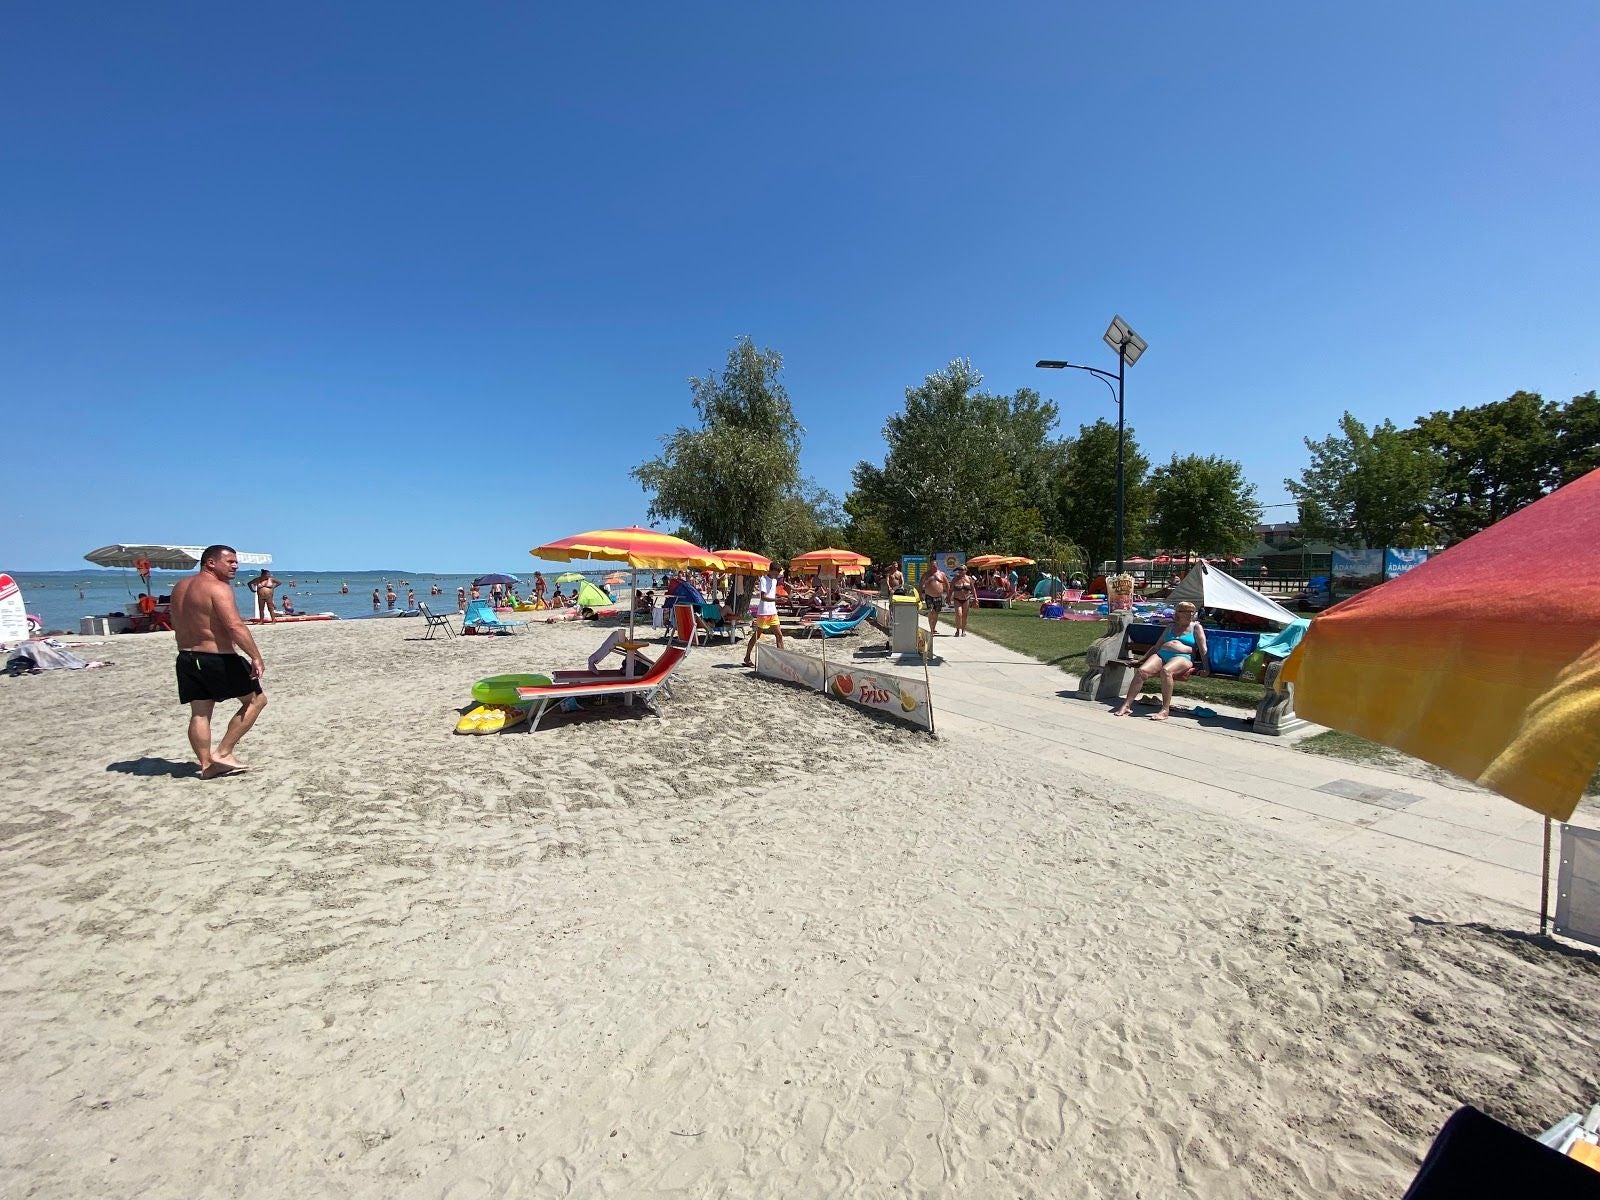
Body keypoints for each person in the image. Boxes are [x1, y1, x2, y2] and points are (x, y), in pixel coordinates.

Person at [169, 545, 268, 779]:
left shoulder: (180, 587)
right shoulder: (218, 588)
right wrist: (255, 656)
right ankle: (223, 752)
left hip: (187, 657)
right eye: (230, 562)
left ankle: (206, 766)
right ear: (210, 563)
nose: (235, 566)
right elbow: (234, 625)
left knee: (200, 712)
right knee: (256, 701)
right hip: (217, 658)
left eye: (236, 562)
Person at [1113, 600, 1209, 721]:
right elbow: (1157, 646)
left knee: (1166, 671)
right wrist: (1141, 660)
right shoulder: (1170, 626)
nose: (1189, 614)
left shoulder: (1196, 627)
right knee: (1142, 671)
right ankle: (1126, 705)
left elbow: (1203, 648)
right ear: (1178, 613)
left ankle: (1165, 710)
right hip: (1162, 654)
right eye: (1186, 611)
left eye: (1192, 611)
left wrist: (1206, 668)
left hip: (1182, 657)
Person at [743, 560, 785, 667]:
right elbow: (763, 597)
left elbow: (771, 595)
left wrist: (780, 598)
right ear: (770, 570)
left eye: (777, 573)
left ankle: (783, 660)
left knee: (779, 635)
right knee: (757, 635)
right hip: (764, 612)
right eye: (774, 573)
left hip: (773, 612)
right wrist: (776, 600)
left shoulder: (775, 581)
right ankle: (747, 657)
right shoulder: (763, 580)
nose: (776, 575)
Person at [920, 562, 948, 638]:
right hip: (929, 595)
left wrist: (948, 595)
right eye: (932, 566)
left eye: (935, 566)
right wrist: (920, 594)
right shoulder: (926, 574)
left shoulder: (941, 574)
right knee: (931, 611)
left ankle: (933, 627)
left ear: (937, 566)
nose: (933, 568)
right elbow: (921, 584)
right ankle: (931, 629)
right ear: (930, 566)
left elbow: (946, 583)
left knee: (936, 613)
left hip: (938, 596)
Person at [949, 565, 976, 637]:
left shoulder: (969, 578)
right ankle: (957, 630)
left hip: (966, 599)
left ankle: (963, 630)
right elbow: (951, 589)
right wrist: (948, 597)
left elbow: (973, 589)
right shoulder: (955, 579)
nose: (960, 571)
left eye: (962, 570)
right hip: (957, 599)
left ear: (965, 570)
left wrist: (976, 599)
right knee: (959, 614)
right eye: (959, 570)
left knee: (965, 616)